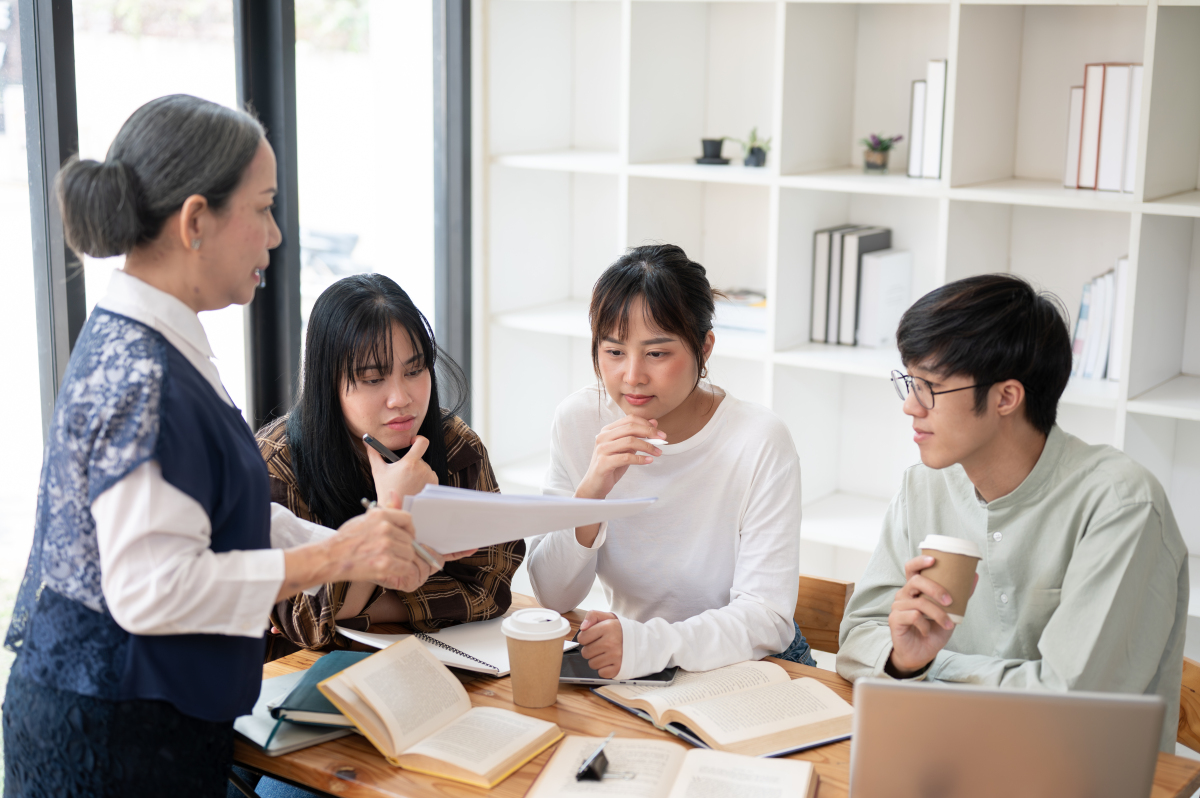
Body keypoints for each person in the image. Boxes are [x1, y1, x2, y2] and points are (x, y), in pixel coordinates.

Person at [1, 95, 466, 795]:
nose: (276, 236)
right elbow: (153, 591)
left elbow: (229, 510)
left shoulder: (156, 340)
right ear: (196, 221)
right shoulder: (145, 377)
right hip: (114, 743)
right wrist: (341, 553)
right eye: (263, 207)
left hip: (146, 723)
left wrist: (364, 547)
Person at [836, 273, 1188, 753]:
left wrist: (925, 667)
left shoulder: (1121, 506)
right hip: (942, 755)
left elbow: (1070, 703)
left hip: (1073, 771)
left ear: (1005, 397)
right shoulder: (924, 486)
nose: (910, 407)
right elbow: (858, 641)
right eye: (909, 382)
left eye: (931, 387)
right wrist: (902, 661)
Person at [526, 243, 811, 681]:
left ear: (704, 347)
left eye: (657, 353)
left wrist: (649, 645)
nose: (633, 375)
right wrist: (592, 493)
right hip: (639, 666)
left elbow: (767, 619)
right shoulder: (579, 421)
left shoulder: (759, 440)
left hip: (752, 664)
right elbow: (551, 594)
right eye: (614, 352)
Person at [257, 273, 523, 659]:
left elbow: (492, 585)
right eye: (371, 378)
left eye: (414, 371)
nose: (401, 398)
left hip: (443, 662)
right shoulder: (276, 462)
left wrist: (359, 610)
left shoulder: (454, 443)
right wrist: (392, 508)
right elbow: (306, 623)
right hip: (304, 679)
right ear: (326, 383)